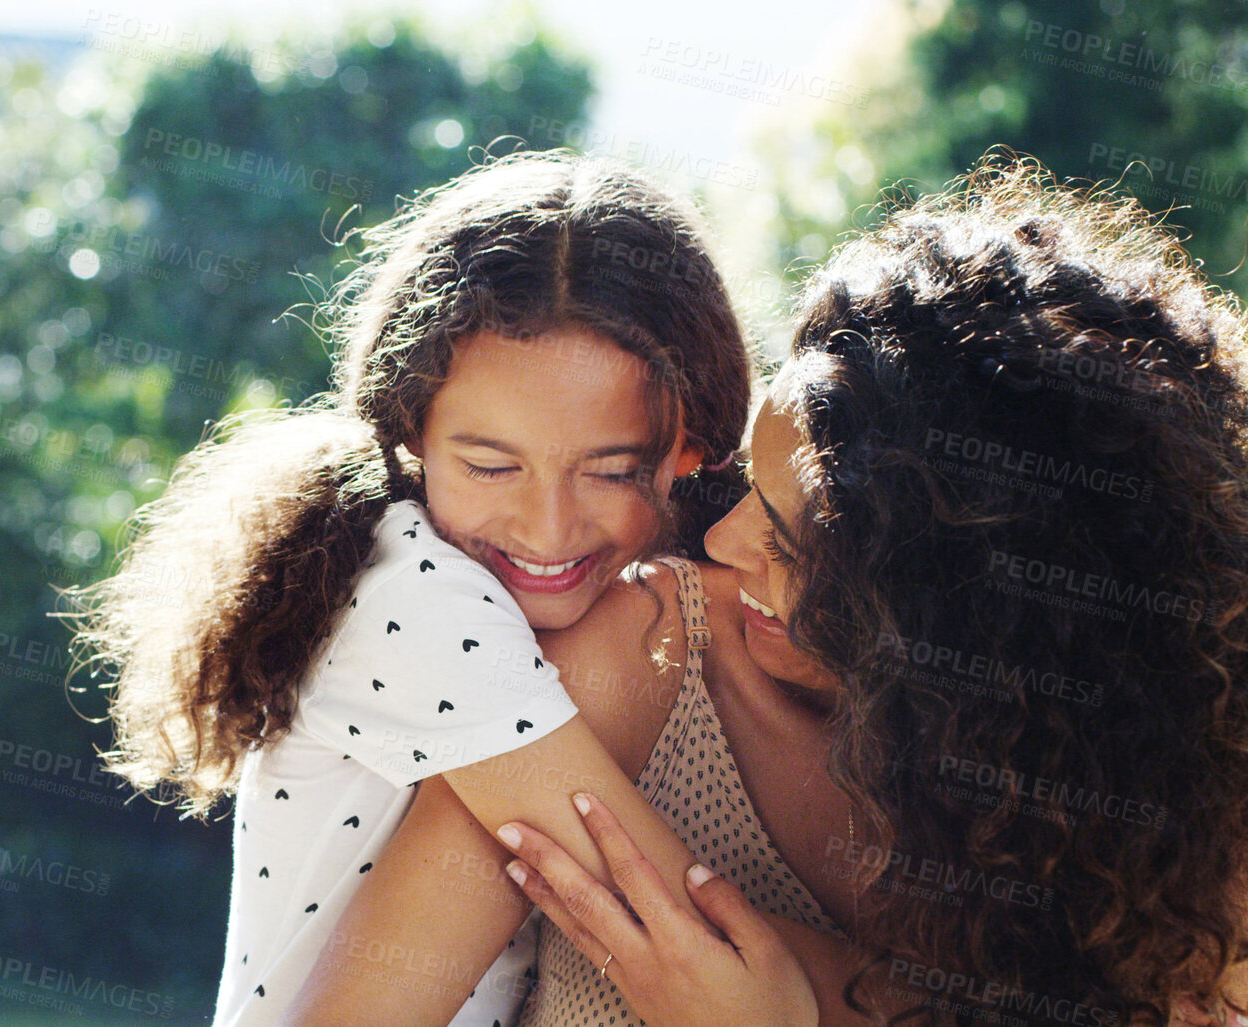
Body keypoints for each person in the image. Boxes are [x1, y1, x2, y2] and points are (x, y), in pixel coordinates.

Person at [322, 155, 1248, 1027]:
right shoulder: (632, 665)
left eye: (793, 537)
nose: (724, 539)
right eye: (743, 486)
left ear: (973, 612)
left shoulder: (1149, 838)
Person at [59, 151, 758, 1026]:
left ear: (693, 448)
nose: (547, 529)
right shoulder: (413, 600)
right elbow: (675, 926)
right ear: (408, 431)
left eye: (612, 471)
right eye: (490, 465)